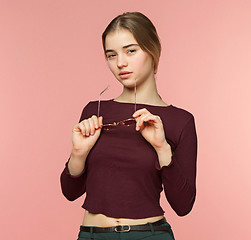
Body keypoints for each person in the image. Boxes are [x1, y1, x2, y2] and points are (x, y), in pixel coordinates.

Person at [60, 12, 198, 240]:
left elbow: (183, 205)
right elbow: (70, 192)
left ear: (152, 50)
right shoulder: (95, 112)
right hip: (92, 235)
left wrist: (162, 148)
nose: (120, 63)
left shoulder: (179, 120)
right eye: (111, 55)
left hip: (150, 235)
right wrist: (78, 154)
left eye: (130, 51)